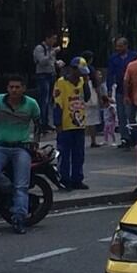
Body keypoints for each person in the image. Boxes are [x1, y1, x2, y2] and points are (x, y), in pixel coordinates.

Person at [0, 75, 41, 234]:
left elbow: (38, 124)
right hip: (0, 147)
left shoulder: (31, 104)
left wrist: (36, 143)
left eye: (17, 87)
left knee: (22, 186)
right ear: (7, 88)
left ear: (23, 89)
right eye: (11, 87)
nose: (14, 90)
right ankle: (11, 191)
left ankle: (19, 219)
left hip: (21, 148)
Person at [54, 57, 91, 190]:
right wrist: (57, 124)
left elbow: (87, 97)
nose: (81, 75)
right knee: (64, 154)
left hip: (79, 123)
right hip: (65, 123)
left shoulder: (81, 81)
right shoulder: (61, 83)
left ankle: (77, 179)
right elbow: (57, 104)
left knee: (79, 154)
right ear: (72, 69)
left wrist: (86, 82)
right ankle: (64, 179)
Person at [106, 37, 137, 148]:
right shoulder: (113, 58)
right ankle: (125, 138)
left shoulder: (134, 56)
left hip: (133, 89)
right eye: (117, 46)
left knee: (131, 114)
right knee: (121, 114)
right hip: (120, 88)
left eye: (120, 46)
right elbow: (110, 74)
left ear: (126, 46)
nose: (118, 48)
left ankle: (134, 136)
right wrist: (109, 88)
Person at [32, 31, 60, 132]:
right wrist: (52, 53)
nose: (54, 41)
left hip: (51, 75)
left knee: (49, 100)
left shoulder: (51, 49)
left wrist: (57, 64)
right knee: (43, 100)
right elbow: (42, 61)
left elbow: (51, 62)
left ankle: (46, 122)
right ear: (47, 38)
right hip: (42, 76)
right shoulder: (40, 48)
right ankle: (40, 123)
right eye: (53, 38)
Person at [85, 68, 107, 148]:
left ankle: (91, 139)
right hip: (93, 103)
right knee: (92, 122)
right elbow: (98, 92)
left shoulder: (84, 82)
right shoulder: (94, 83)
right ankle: (93, 140)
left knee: (88, 121)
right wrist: (100, 100)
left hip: (86, 103)